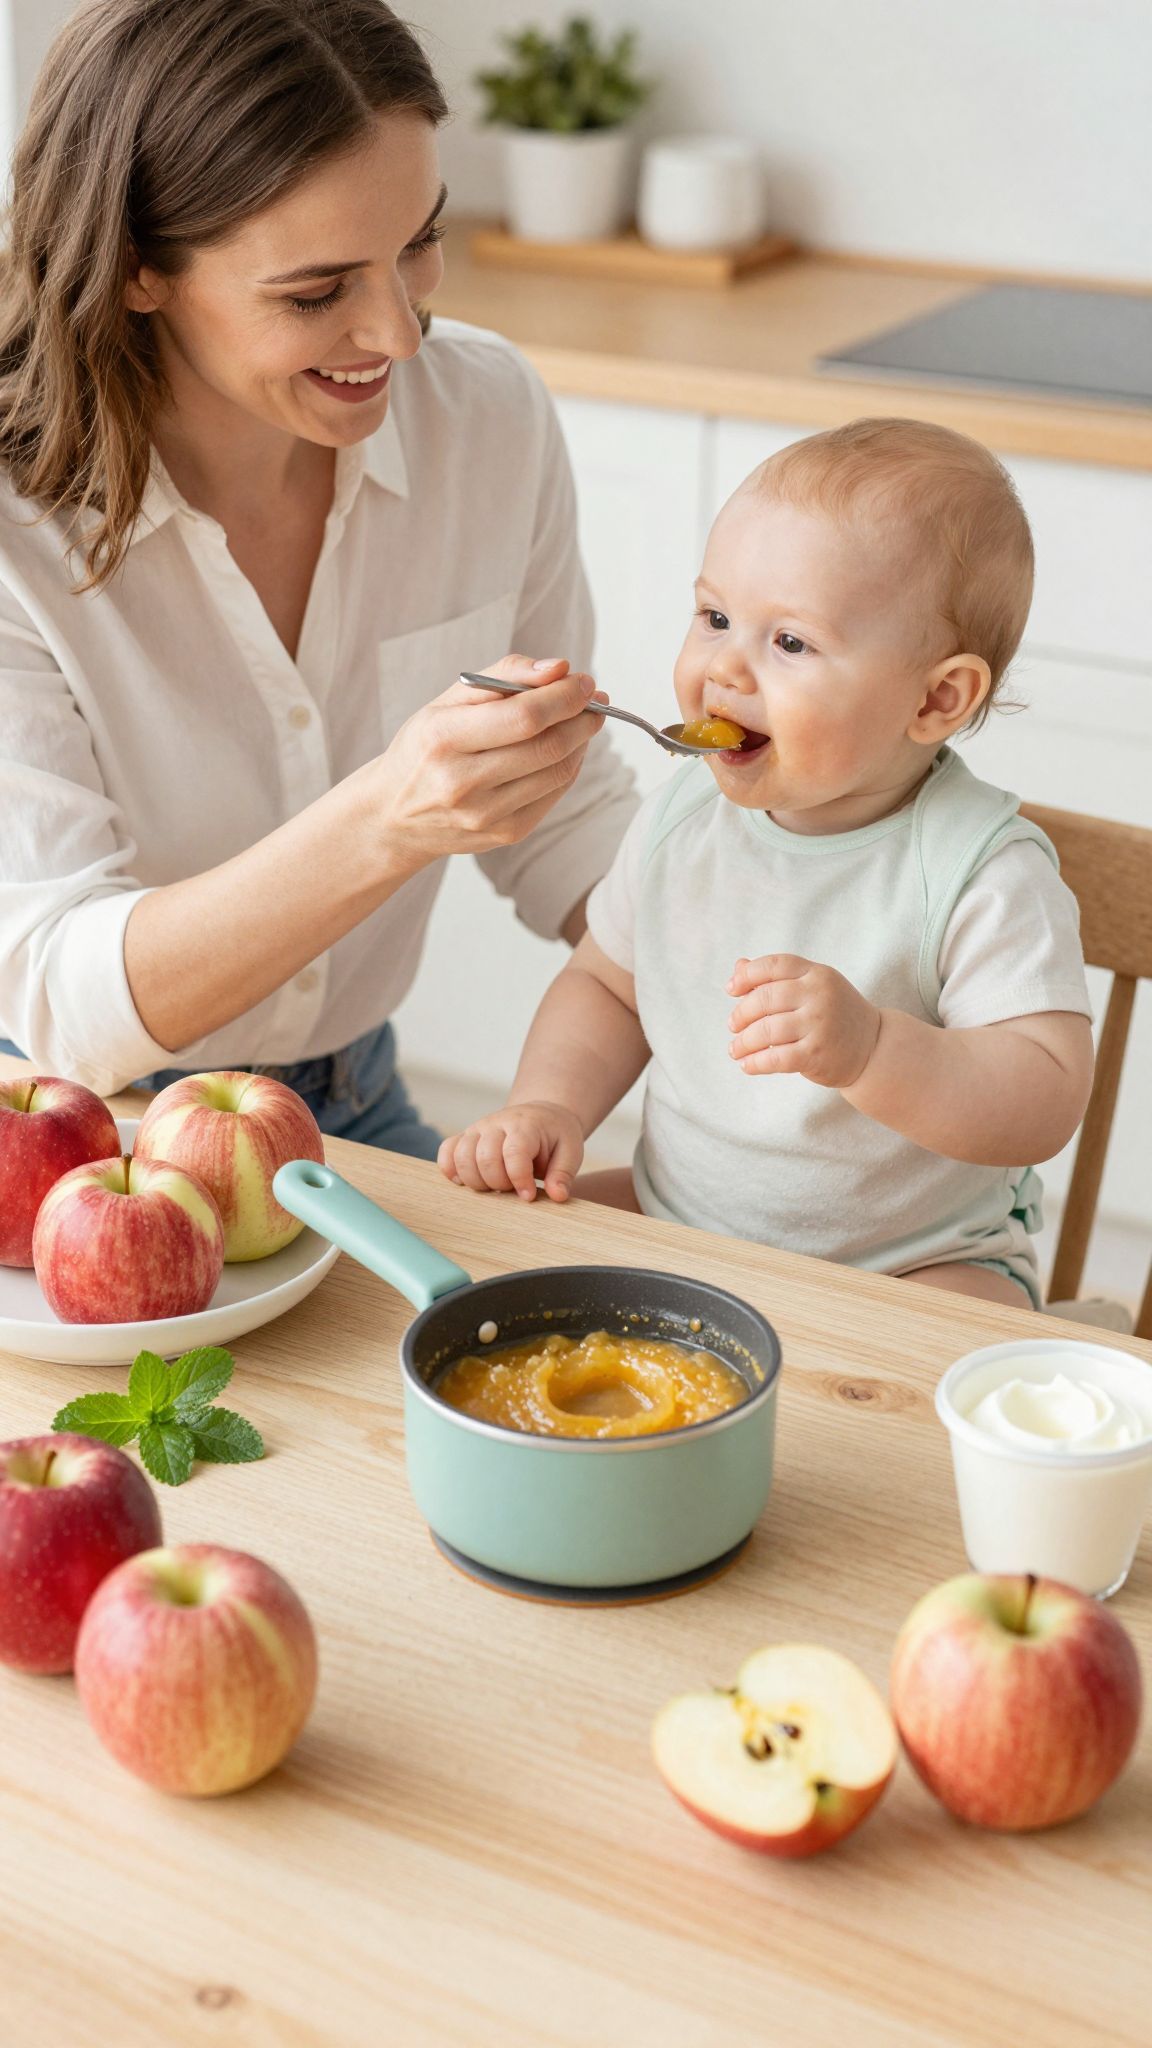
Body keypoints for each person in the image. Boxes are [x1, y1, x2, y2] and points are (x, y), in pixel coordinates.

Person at [0, 0, 634, 1155]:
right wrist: (391, 813)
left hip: (347, 1107)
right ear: (139, 268)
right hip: (74, 1136)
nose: (398, 333)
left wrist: (761, 963)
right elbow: (64, 1001)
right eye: (316, 292)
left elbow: (564, 816)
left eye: (420, 244)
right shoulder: (14, 530)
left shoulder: (483, 418)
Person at [439, 418, 1096, 1309]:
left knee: (962, 1364)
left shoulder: (981, 869)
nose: (724, 669)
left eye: (789, 642)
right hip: (679, 1223)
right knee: (489, 1266)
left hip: (916, 1261)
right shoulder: (682, 816)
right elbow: (604, 986)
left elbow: (1043, 1097)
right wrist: (549, 1107)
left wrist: (873, 1050)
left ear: (938, 697)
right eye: (714, 617)